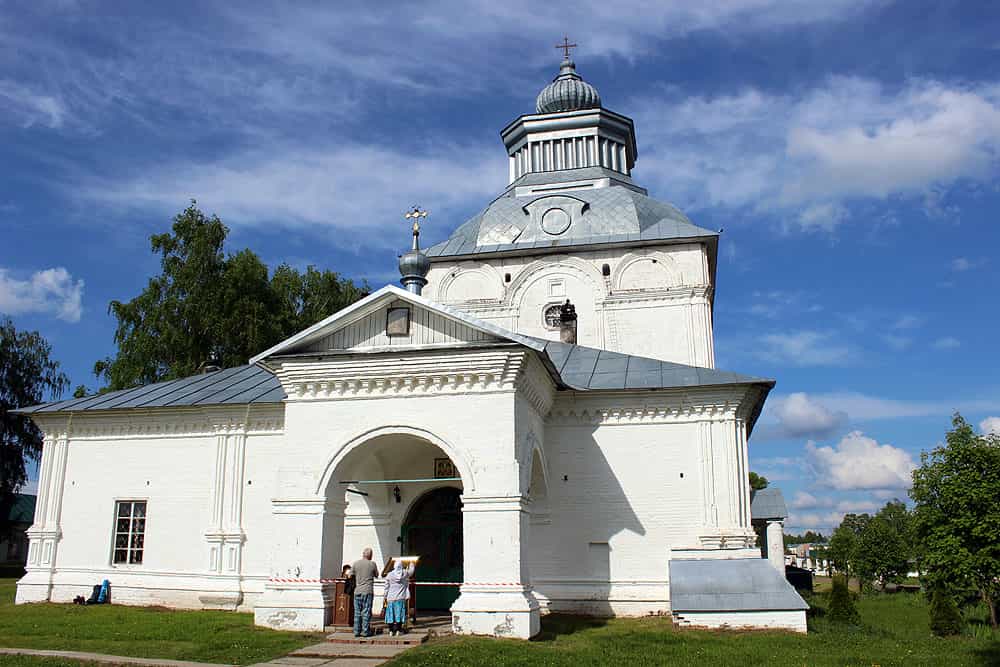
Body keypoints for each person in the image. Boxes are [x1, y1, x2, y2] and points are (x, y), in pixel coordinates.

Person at [351, 547, 380, 638]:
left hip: (357, 591)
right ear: (370, 555)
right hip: (368, 590)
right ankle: (365, 631)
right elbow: (376, 575)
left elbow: (349, 574)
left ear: (363, 554)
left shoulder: (356, 563)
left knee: (357, 612)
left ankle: (356, 631)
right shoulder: (372, 564)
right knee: (366, 611)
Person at [383, 558, 416, 636]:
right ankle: (398, 630)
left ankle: (391, 631)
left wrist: (385, 596)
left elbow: (386, 587)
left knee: (391, 614)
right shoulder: (404, 573)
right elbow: (411, 571)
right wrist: (412, 562)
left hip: (391, 598)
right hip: (400, 598)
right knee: (399, 614)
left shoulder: (390, 574)